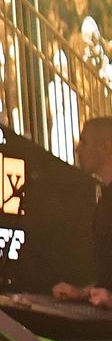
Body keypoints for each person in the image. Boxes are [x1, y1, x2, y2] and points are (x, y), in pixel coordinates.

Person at [53, 115, 112, 311]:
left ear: (105, 147)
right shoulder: (104, 198)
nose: (78, 149)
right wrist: (82, 293)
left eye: (84, 141)